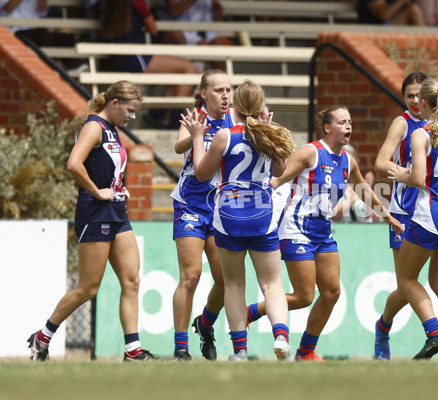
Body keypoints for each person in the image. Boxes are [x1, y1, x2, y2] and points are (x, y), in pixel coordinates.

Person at [246, 106, 404, 361]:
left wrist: (388, 217)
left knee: (331, 292)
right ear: (328, 128)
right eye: (342, 122)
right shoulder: (311, 152)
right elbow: (279, 178)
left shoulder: (348, 161)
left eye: (350, 122)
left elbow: (363, 190)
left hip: (322, 231)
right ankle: (249, 313)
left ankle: (305, 351)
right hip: (296, 228)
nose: (349, 127)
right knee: (304, 295)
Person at [27, 81, 158, 362]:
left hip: (117, 212)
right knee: (89, 287)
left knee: (132, 279)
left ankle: (133, 351)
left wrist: (118, 187)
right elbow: (74, 164)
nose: (131, 117)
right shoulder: (94, 127)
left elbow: (106, 168)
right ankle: (43, 336)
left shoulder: (112, 129)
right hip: (96, 213)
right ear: (114, 104)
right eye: (130, 110)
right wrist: (97, 190)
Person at [182, 80, 296, 361]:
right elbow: (281, 169)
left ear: (236, 106)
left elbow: (200, 174)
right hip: (262, 214)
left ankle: (240, 351)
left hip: (230, 214)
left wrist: (198, 137)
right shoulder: (270, 134)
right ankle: (281, 335)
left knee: (234, 285)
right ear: (261, 106)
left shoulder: (225, 135)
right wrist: (269, 128)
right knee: (272, 284)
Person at [374, 72, 438, 360]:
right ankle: (384, 327)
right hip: (408, 210)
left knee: (416, 280)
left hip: (428, 209)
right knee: (419, 283)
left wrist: (413, 174)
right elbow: (382, 161)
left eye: (419, 95)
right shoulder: (405, 123)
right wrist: (402, 171)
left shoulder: (427, 132)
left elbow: (421, 177)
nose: (415, 100)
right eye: (409, 95)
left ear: (428, 99)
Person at [170, 70, 234, 361]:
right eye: (219, 90)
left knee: (225, 279)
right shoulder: (196, 116)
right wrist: (197, 133)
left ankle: (205, 324)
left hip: (222, 207)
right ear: (204, 94)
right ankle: (181, 346)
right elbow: (179, 146)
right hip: (191, 205)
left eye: (228, 90)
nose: (225, 95)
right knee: (191, 276)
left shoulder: (236, 118)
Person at [96, 0, 199, 98]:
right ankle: (174, 114)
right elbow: (153, 29)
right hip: (135, 57)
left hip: (115, 58)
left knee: (179, 75)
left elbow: (101, 31)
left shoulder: (104, 2)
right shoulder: (138, 1)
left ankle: (157, 114)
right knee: (189, 68)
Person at [357, 0, 425, 26]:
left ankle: (425, 46)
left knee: (414, 9)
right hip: (372, 29)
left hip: (393, 25)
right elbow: (383, 15)